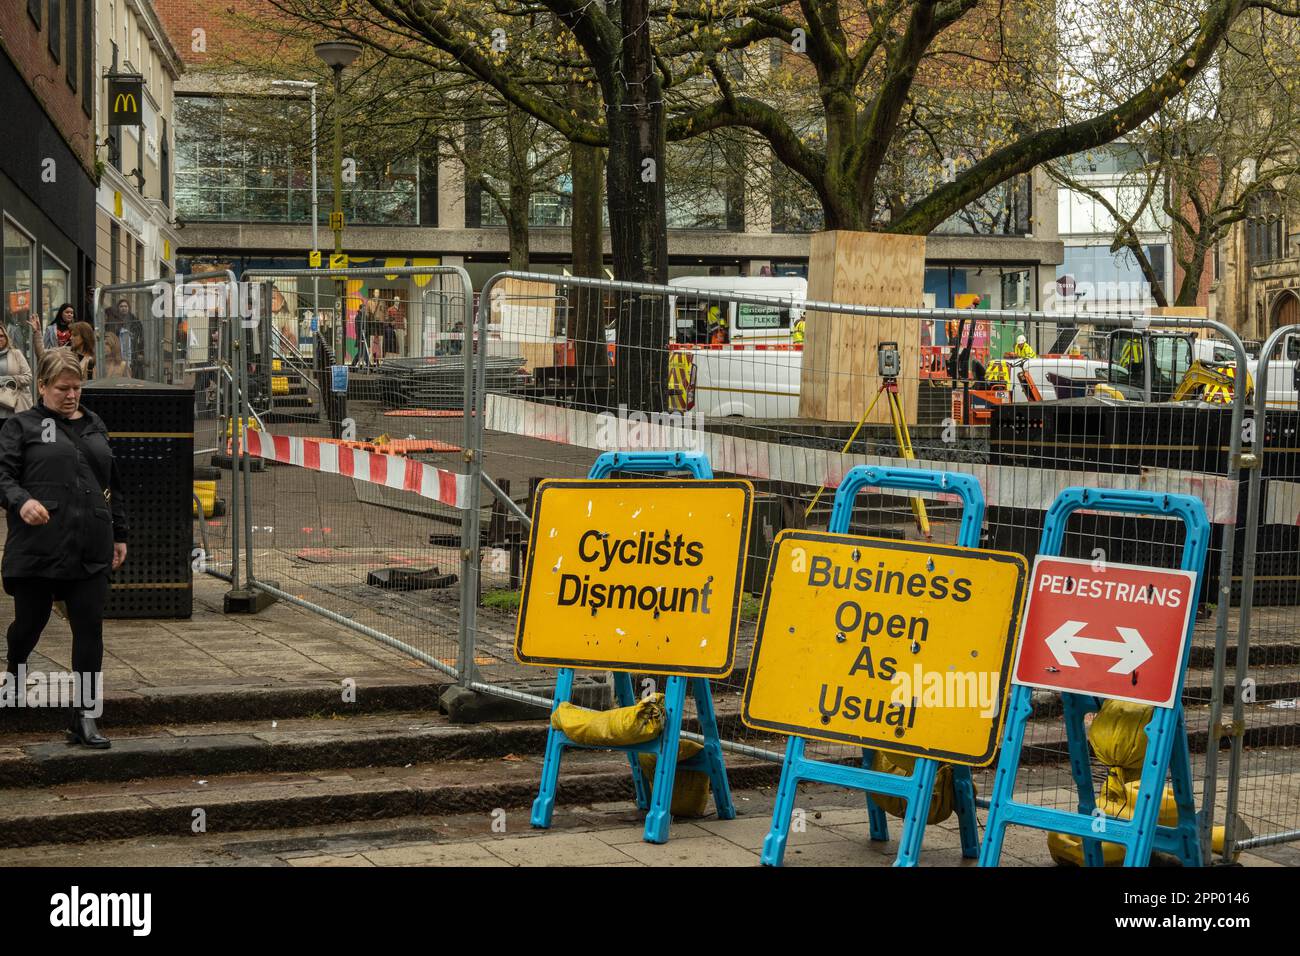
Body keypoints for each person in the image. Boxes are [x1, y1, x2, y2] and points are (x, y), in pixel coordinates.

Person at [0, 350, 128, 748]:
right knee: (30, 625)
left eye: (77, 387)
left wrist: (120, 533)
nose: (72, 395)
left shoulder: (94, 425)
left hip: (91, 541)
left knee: (89, 628)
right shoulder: (21, 426)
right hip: (39, 545)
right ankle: (16, 667)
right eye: (62, 388)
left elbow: (114, 483)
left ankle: (84, 716)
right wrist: (21, 501)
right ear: (41, 386)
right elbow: (2, 475)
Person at [0, 325, 34, 422]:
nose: (0, 339)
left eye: (1, 336)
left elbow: (28, 377)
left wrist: (9, 379)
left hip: (15, 407)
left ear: (6, 337)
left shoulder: (16, 354)